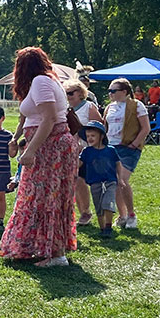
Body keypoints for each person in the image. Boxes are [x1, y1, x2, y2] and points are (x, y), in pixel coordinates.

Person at [0, 47, 78, 267]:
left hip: (50, 146)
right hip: (49, 143)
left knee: (46, 197)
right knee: (41, 196)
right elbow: (28, 117)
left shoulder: (41, 82)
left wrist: (31, 149)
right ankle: (43, 247)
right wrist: (16, 139)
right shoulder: (42, 82)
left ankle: (54, 253)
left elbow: (50, 118)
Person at [103, 78, 150, 229]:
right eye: (109, 91)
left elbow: (145, 128)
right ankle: (122, 215)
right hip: (111, 147)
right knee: (114, 183)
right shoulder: (109, 107)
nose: (110, 93)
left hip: (128, 148)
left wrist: (134, 144)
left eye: (113, 91)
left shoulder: (136, 105)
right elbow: (105, 127)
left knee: (122, 181)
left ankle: (131, 215)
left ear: (124, 92)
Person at [65, 80, 104, 226]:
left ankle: (99, 211)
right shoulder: (66, 110)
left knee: (93, 183)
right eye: (66, 93)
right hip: (72, 151)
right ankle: (85, 213)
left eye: (71, 93)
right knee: (77, 180)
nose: (68, 96)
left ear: (81, 94)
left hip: (89, 151)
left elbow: (99, 128)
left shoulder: (89, 107)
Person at [79, 120, 122, 238]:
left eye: (93, 136)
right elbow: (79, 164)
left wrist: (121, 179)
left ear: (101, 136)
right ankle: (102, 228)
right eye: (88, 136)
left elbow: (118, 164)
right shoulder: (86, 151)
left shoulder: (110, 150)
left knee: (108, 203)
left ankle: (108, 227)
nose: (90, 139)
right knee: (98, 206)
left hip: (110, 181)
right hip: (95, 182)